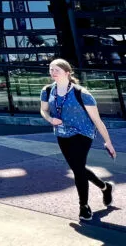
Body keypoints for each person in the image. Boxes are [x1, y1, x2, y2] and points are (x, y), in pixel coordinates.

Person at [39, 58, 116, 221]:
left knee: (78, 168)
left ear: (67, 72)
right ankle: (105, 187)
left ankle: (84, 206)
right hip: (61, 134)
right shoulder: (47, 91)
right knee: (77, 168)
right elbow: (43, 110)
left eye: (56, 70)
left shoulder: (82, 93)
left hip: (83, 133)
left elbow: (97, 120)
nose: (53, 73)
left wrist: (108, 142)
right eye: (51, 69)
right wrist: (50, 119)